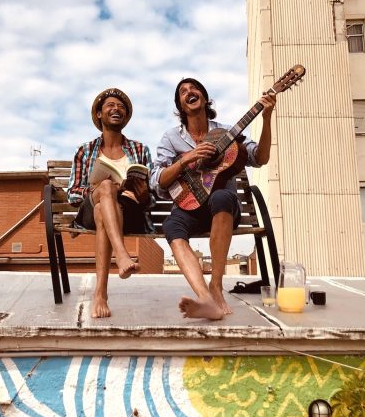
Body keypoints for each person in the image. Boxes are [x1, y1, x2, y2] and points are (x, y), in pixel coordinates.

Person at [150, 78, 276, 320]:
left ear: (205, 98)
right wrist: (186, 159)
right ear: (180, 106)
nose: (189, 92)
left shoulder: (227, 132)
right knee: (171, 226)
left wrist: (267, 118)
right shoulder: (170, 138)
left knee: (221, 197)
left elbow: (260, 158)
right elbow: (157, 180)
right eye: (183, 92)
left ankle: (215, 286)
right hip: (190, 205)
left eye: (194, 88)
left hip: (223, 210)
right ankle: (205, 300)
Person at [67, 88, 153, 319]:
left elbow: (150, 197)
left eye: (121, 107)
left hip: (129, 212)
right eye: (111, 105)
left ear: (126, 116)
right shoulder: (85, 151)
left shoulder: (140, 149)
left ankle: (100, 295)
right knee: (105, 189)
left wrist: (143, 193)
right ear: (98, 114)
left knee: (103, 211)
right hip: (89, 208)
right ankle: (122, 255)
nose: (117, 109)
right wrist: (99, 188)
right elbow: (73, 194)